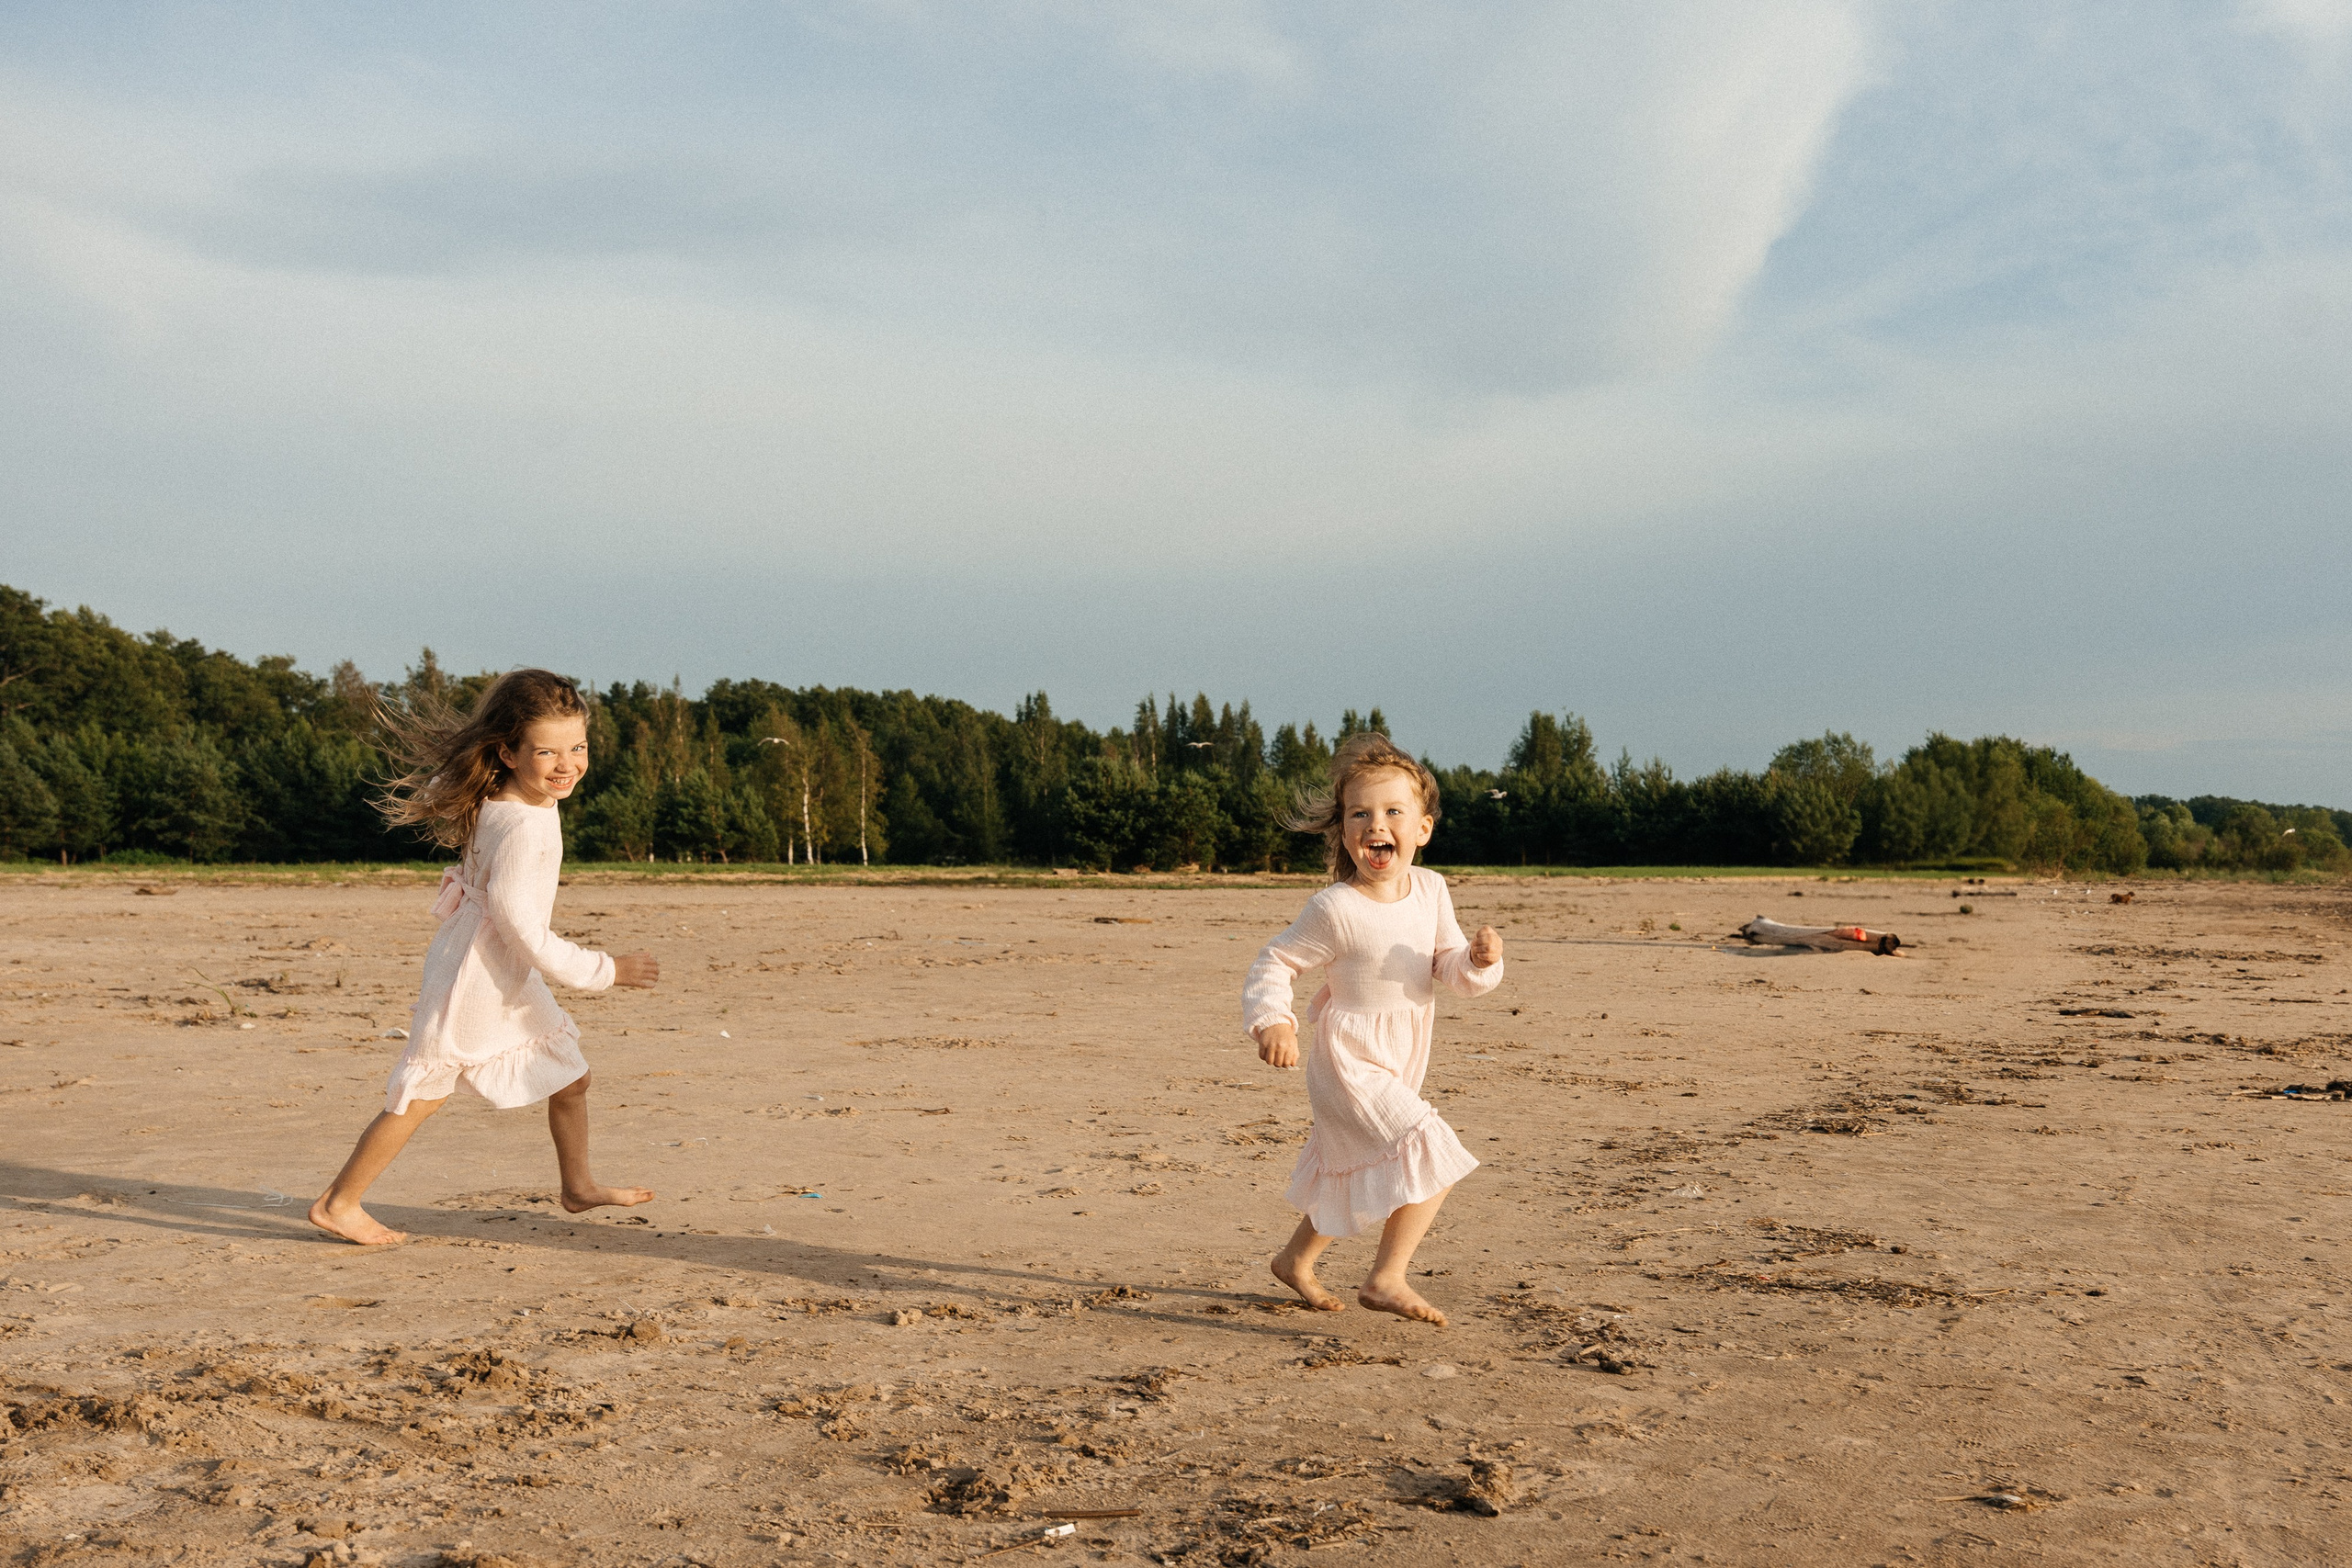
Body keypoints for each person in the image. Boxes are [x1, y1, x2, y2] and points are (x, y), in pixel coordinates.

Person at [309, 670, 660, 1247]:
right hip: (474, 973)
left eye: (579, 747)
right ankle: (338, 1203)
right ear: (509, 752)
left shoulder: (515, 794)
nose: (566, 764)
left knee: (571, 1076)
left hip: (501, 968)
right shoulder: (521, 823)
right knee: (424, 1090)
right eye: (547, 751)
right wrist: (605, 969)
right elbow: (522, 927)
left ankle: (577, 1185)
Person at [1241, 731, 1504, 1325]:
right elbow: (1274, 961)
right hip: (1347, 1061)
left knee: (1354, 1163)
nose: (1375, 822)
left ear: (1422, 829)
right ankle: (1386, 1276)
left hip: (1399, 1055)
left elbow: (1448, 966)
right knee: (1432, 1151)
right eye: (1359, 812)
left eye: (1391, 811)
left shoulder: (1431, 890)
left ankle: (1293, 1260)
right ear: (1345, 830)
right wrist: (1273, 1021)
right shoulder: (1336, 907)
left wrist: (1481, 962)